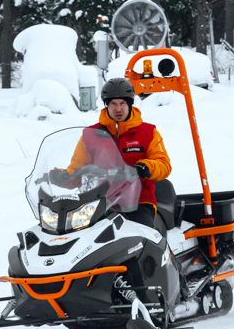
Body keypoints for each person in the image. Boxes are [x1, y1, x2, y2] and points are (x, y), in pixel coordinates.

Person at [64, 78, 171, 227]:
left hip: (138, 202)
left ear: (130, 104)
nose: (118, 109)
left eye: (122, 103)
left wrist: (144, 168)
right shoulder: (91, 134)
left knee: (141, 239)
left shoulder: (148, 132)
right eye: (113, 104)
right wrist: (61, 177)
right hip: (99, 202)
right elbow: (76, 170)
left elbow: (163, 165)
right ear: (106, 106)